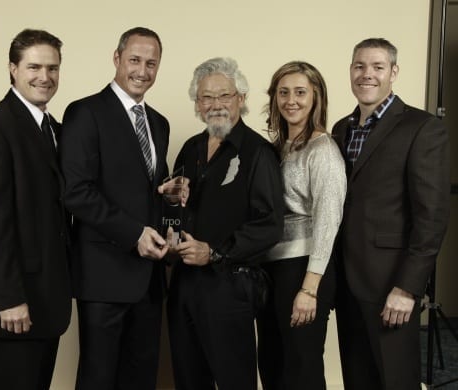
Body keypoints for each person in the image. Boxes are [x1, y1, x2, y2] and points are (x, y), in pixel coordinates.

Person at [332, 38, 449, 390]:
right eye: (359, 66)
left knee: (396, 381)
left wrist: (408, 288)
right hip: (346, 282)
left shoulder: (422, 128)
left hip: (390, 284)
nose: (367, 75)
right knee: (358, 379)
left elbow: (432, 217)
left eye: (378, 67)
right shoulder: (342, 129)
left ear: (393, 72)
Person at [60, 27, 171, 390]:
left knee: (140, 378)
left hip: (149, 279)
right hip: (104, 277)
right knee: (99, 379)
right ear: (117, 59)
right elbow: (76, 192)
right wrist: (134, 233)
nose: (142, 71)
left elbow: (143, 188)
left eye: (151, 63)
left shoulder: (158, 123)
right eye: (135, 60)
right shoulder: (84, 113)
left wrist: (168, 196)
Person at [167, 57, 284, 390]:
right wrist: (169, 209)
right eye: (206, 97)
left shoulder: (258, 152)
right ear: (197, 104)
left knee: (235, 381)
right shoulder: (189, 149)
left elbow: (270, 224)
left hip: (230, 285)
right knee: (189, 379)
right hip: (184, 284)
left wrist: (215, 252)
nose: (215, 105)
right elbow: (176, 213)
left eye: (224, 96)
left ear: (241, 100)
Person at [0, 29, 71, 390]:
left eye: (53, 68)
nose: (45, 77)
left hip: (45, 304)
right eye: (34, 67)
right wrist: (8, 300)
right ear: (12, 69)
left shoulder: (53, 128)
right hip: (12, 311)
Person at [257, 61, 346, 389]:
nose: (290, 100)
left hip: (304, 271)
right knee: (272, 363)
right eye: (283, 92)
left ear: (316, 97)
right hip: (272, 270)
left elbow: (327, 222)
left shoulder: (323, 151)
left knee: (301, 368)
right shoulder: (280, 147)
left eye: (300, 92)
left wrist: (309, 289)